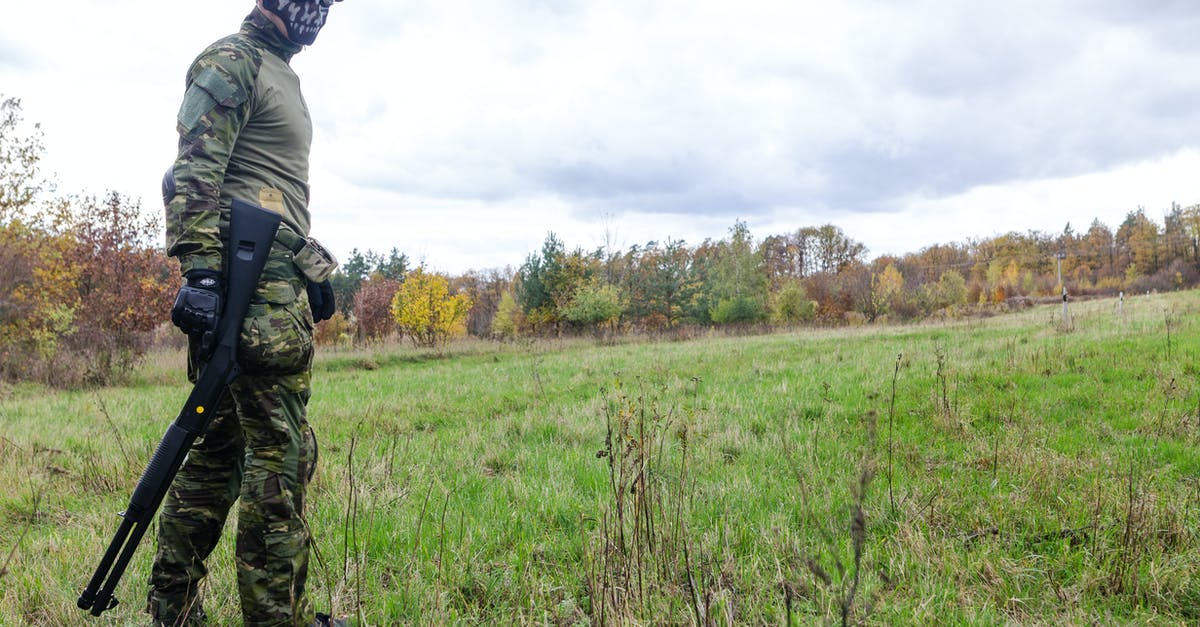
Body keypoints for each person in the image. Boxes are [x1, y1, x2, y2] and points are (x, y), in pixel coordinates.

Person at [152, 1, 341, 625]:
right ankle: (274, 618)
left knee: (216, 457)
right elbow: (192, 171)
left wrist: (309, 267)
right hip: (249, 297)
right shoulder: (234, 59)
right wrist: (202, 274)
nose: (321, 13)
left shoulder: (281, 71)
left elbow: (271, 194)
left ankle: (173, 611)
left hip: (273, 282)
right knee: (281, 459)